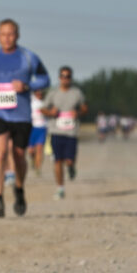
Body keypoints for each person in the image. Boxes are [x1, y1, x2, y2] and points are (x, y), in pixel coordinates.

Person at [0, 19, 50, 217]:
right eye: (3, 34)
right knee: (0, 153)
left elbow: (45, 79)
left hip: (21, 115)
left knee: (19, 155)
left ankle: (19, 190)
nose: (7, 38)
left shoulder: (28, 57)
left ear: (17, 36)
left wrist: (27, 86)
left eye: (11, 34)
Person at [41, 66, 87, 200]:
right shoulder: (53, 93)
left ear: (71, 78)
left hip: (71, 132)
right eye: (63, 76)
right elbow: (42, 109)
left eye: (68, 76)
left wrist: (78, 112)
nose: (65, 79)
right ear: (59, 77)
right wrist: (50, 112)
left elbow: (85, 108)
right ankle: (60, 188)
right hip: (56, 130)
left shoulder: (77, 93)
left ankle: (71, 167)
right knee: (57, 160)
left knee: (69, 160)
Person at [27, 89, 48, 175]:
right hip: (31, 127)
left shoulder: (46, 102)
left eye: (41, 92)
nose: (39, 93)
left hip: (42, 128)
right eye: (38, 92)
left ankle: (38, 168)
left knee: (39, 149)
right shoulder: (31, 100)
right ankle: (33, 159)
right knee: (31, 151)